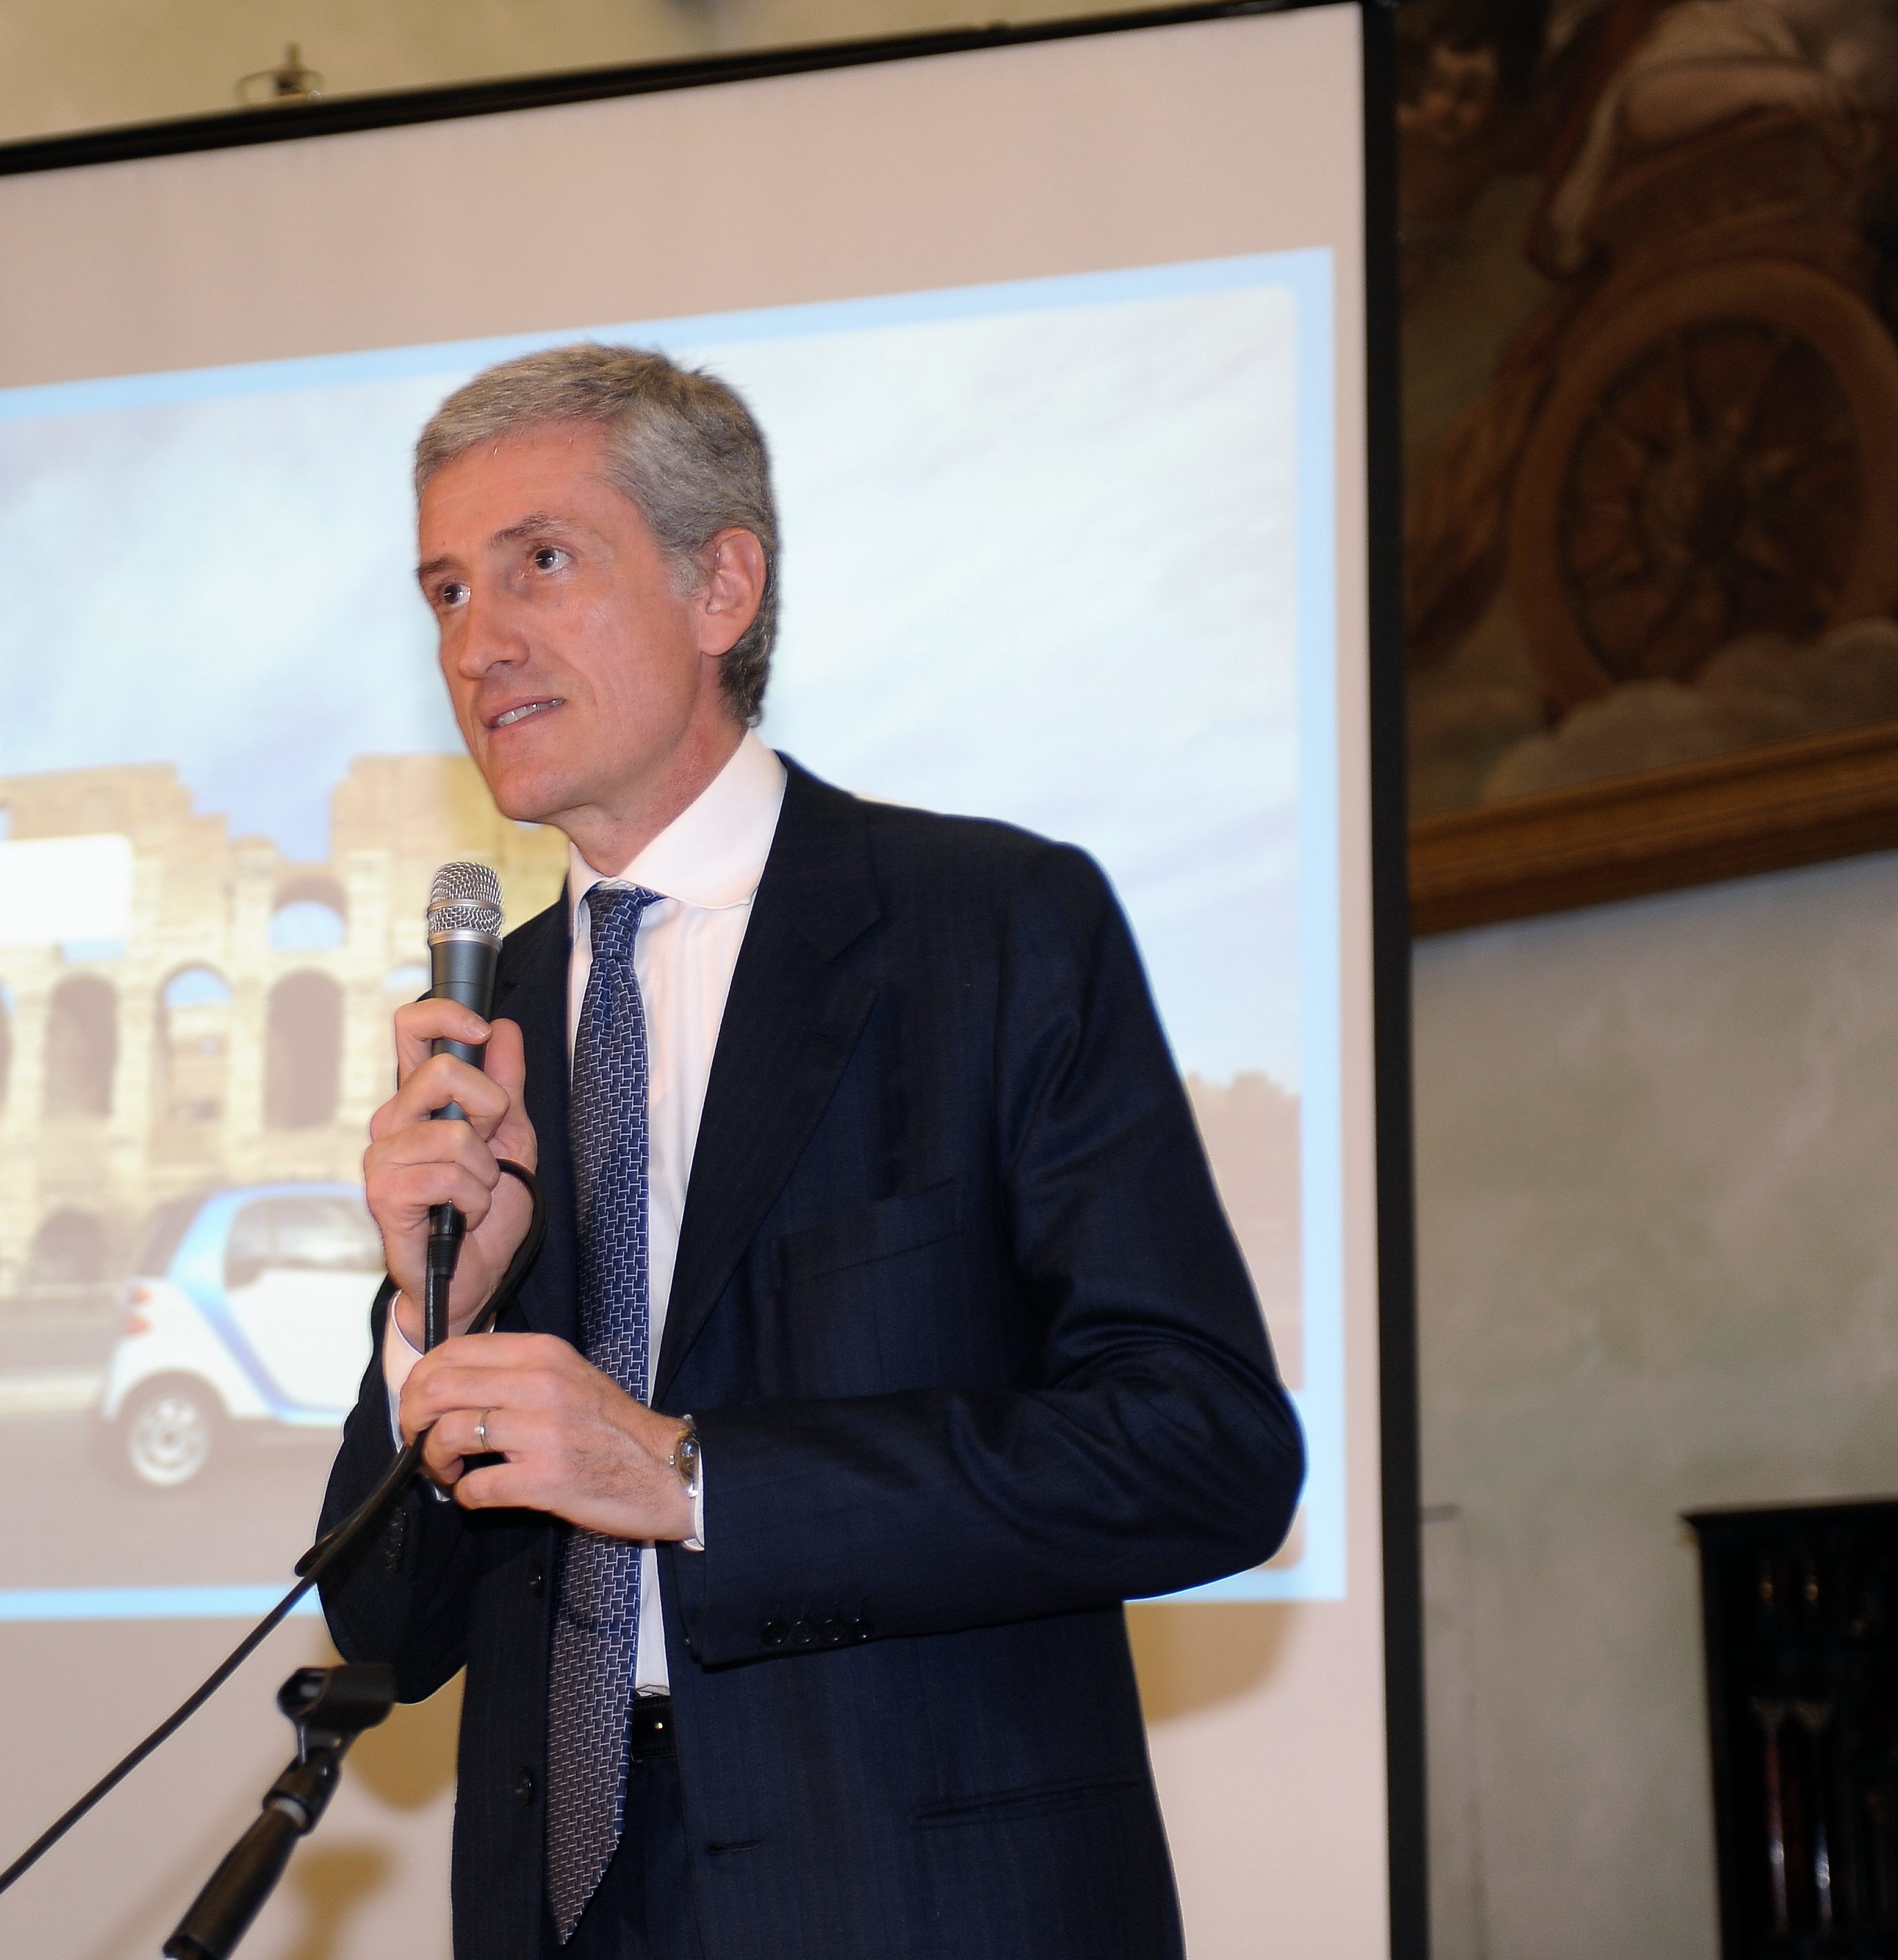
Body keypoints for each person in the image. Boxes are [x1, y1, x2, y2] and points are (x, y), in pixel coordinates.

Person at [318, 345, 1302, 1960]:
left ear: (721, 585)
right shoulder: (483, 1029)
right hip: (563, 1915)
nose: (476, 642)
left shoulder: (989, 928)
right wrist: (435, 1317)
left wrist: (689, 1479)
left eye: (538, 562)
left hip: (918, 1904)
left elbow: (1202, 1453)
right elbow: (385, 1628)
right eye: (443, 593)